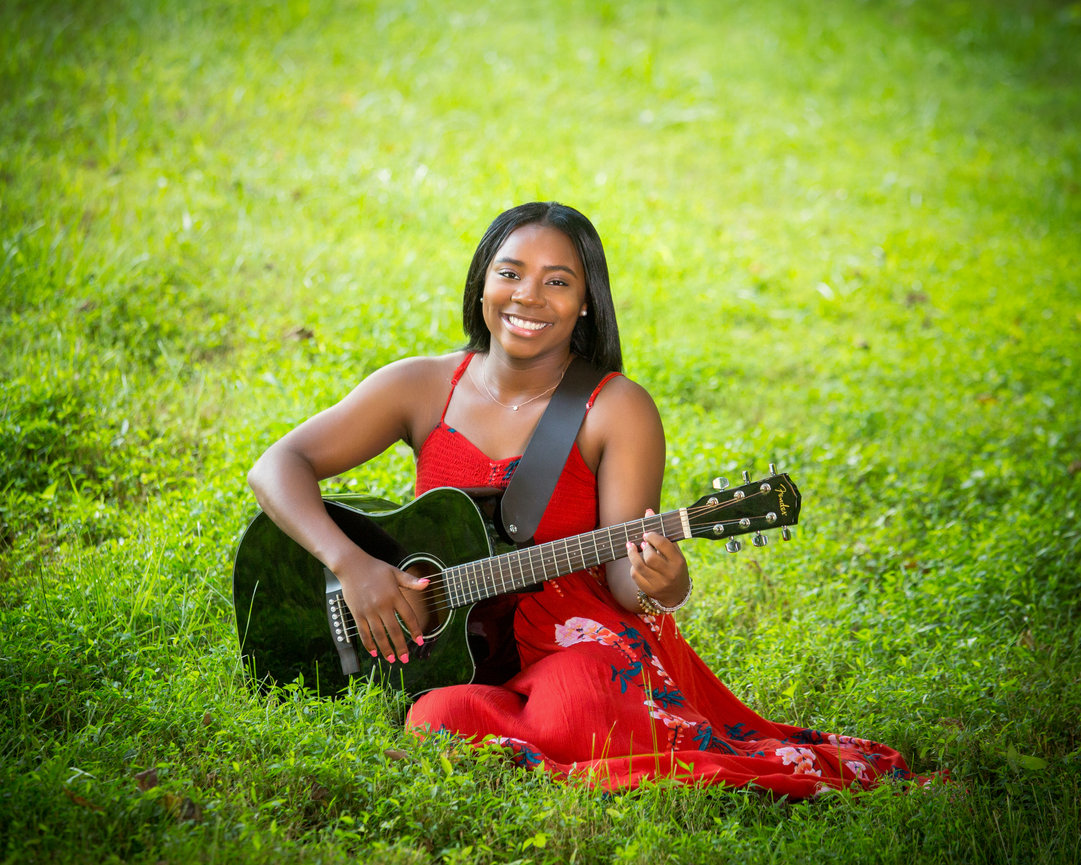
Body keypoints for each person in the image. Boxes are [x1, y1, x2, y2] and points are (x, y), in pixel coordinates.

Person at [247, 201, 917, 796]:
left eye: (557, 281)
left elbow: (628, 583)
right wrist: (351, 564)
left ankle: (538, 729)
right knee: (435, 718)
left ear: (586, 300)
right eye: (509, 273)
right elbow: (277, 465)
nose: (527, 297)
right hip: (464, 632)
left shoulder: (614, 408)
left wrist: (666, 582)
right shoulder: (420, 386)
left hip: (577, 635)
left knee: (577, 711)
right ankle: (505, 716)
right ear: (481, 280)